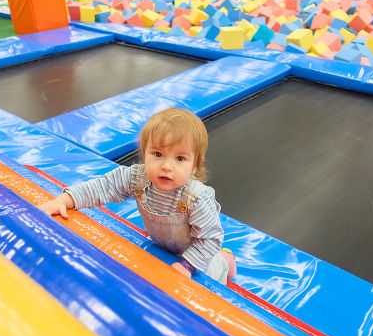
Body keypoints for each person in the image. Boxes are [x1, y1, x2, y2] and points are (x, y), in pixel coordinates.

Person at [38, 107, 236, 283]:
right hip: (163, 246)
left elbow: (210, 238)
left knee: (214, 273)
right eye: (157, 155)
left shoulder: (195, 198)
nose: (166, 166)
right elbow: (103, 187)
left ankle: (226, 260)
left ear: (195, 166)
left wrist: (187, 266)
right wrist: (66, 199)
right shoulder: (136, 178)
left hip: (198, 257)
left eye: (180, 158)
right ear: (144, 153)